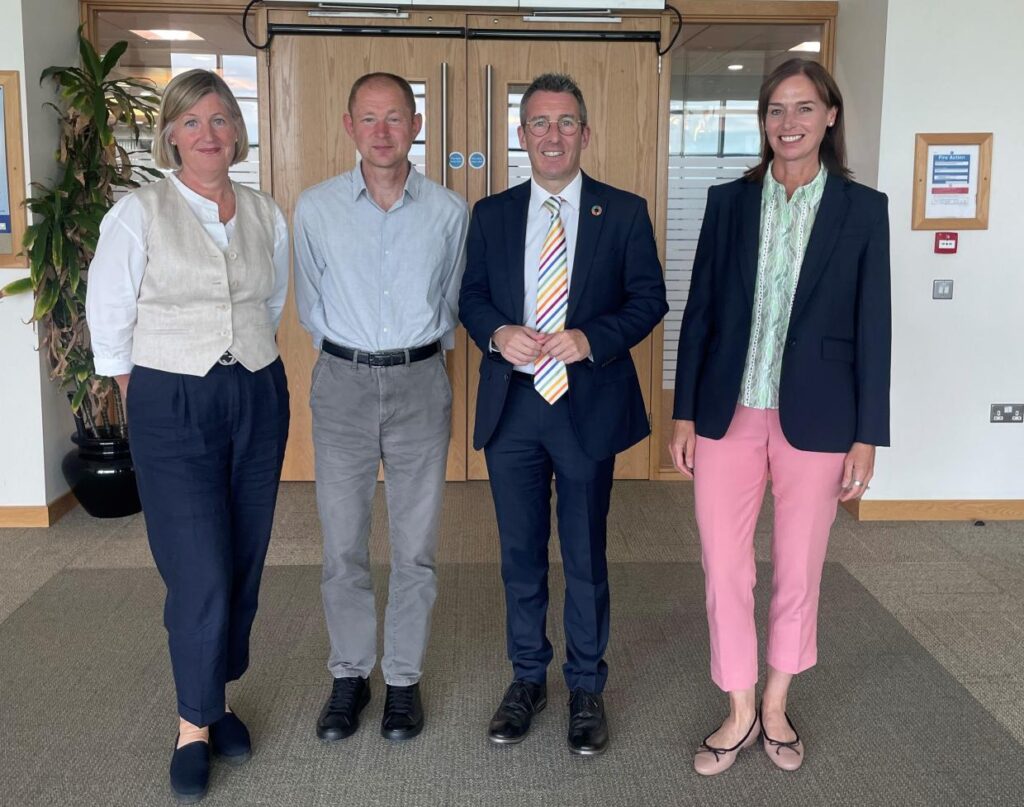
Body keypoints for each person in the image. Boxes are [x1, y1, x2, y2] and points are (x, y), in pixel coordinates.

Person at [670, 58, 891, 775]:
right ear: (763, 121)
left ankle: (775, 704)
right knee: (724, 566)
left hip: (820, 419)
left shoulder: (863, 210)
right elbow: (701, 312)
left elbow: (875, 328)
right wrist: (683, 414)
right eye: (775, 110)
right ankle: (737, 707)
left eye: (803, 108)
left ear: (830, 116)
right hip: (727, 411)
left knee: (799, 568)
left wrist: (868, 434)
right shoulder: (729, 203)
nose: (788, 123)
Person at [85, 69, 291, 802]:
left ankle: (216, 700)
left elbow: (271, 298)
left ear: (238, 131)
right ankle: (192, 726)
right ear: (170, 134)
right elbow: (109, 312)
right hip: (171, 397)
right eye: (192, 121)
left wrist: (243, 357)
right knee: (197, 566)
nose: (209, 133)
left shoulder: (264, 212)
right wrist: (139, 391)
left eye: (220, 119)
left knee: (242, 557)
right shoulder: (138, 212)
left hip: (256, 389)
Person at [459, 73, 668, 756]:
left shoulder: (624, 211)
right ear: (521, 135)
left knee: (584, 552)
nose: (553, 135)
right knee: (519, 554)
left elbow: (649, 299)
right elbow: (471, 296)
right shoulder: (491, 214)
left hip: (585, 405)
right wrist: (498, 332)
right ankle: (528, 678)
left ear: (585, 133)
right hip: (514, 406)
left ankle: (585, 685)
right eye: (540, 123)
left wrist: (591, 338)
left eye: (566, 122)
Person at [293, 73, 468, 745]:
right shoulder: (316, 208)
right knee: (343, 544)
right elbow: (310, 301)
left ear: (415, 125)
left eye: (395, 117)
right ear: (349, 127)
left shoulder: (449, 211)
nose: (382, 131)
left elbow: (451, 299)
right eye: (368, 118)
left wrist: (410, 354)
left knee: (415, 547)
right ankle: (350, 674)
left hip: (420, 381)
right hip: (342, 382)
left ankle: (402, 678)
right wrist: (355, 353)